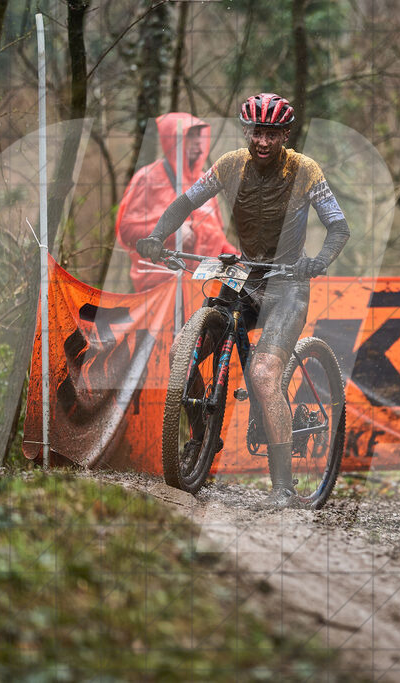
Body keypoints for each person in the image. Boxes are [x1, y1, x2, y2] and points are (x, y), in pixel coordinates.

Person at [136, 93, 350, 507]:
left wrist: (317, 261)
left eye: (271, 133)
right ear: (246, 131)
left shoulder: (306, 170)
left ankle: (284, 488)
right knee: (189, 348)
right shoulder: (230, 164)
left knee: (265, 375)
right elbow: (185, 201)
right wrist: (157, 236)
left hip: (288, 285)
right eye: (256, 131)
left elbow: (338, 227)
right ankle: (203, 435)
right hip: (246, 277)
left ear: (284, 134)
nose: (262, 141)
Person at [116, 113, 237, 291]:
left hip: (202, 288)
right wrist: (173, 233)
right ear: (173, 140)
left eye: (199, 135)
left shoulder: (205, 181)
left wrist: (239, 258)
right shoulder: (148, 178)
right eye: (190, 136)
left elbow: (216, 237)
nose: (197, 142)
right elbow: (126, 229)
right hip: (161, 288)